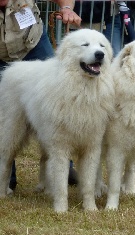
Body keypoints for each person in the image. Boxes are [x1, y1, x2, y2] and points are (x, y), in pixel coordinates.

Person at [0, 0, 81, 191]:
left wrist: (67, 8)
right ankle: (6, 176)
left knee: (55, 104)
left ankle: (61, 166)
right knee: (5, 120)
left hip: (33, 45)